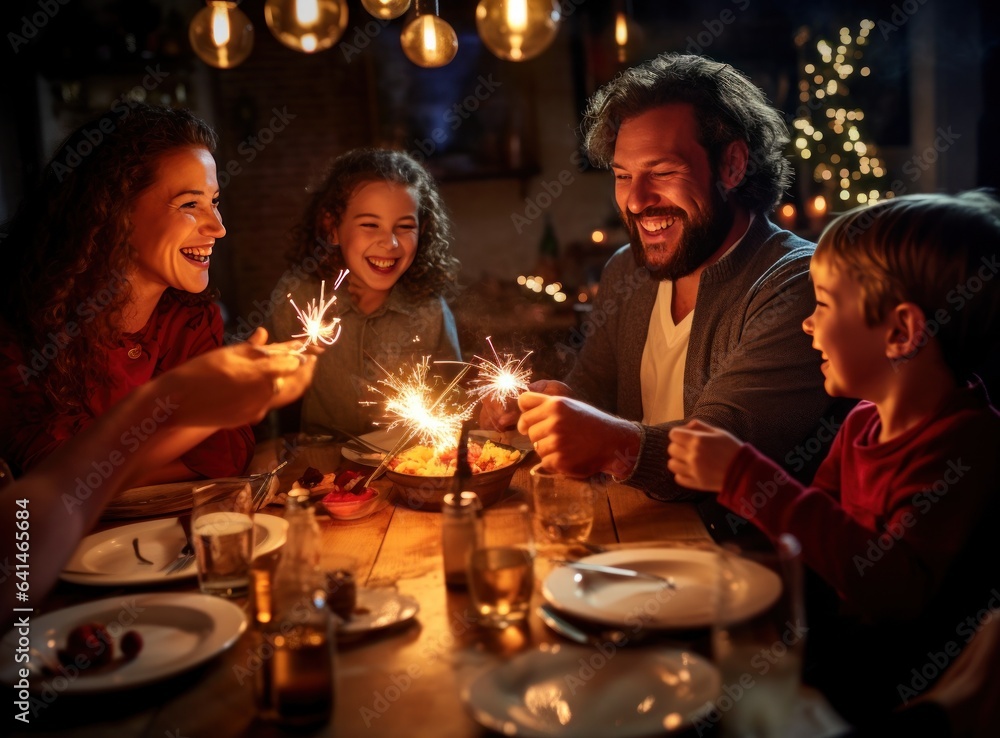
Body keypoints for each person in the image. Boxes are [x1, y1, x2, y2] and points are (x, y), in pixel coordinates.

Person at [667, 191, 1000, 722]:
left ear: (900, 332)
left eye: (822, 305)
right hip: (826, 661)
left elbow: (896, 591)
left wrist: (744, 476)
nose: (807, 324)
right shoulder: (863, 422)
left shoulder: (967, 447)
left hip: (893, 700)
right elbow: (808, 540)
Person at [487, 53, 849, 536]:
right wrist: (552, 407)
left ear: (733, 164)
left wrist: (610, 443)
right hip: (633, 536)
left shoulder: (797, 283)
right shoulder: (627, 271)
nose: (635, 200)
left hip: (739, 571)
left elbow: (721, 445)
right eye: (622, 175)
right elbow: (595, 389)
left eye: (661, 171)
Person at [0, 103, 254, 484]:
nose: (218, 227)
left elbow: (227, 455)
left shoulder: (190, 320)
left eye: (214, 202)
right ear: (114, 212)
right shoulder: (26, 327)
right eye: (190, 204)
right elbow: (58, 475)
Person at [0, 328, 317, 632]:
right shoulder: (35, 346)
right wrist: (172, 399)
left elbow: (70, 491)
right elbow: (25, 547)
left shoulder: (191, 320)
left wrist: (198, 406)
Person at [273, 148, 462, 436]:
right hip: (321, 473)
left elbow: (455, 398)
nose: (390, 243)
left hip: (409, 469)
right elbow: (261, 394)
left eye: (404, 226)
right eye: (370, 225)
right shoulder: (298, 298)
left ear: (422, 231)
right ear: (332, 226)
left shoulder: (429, 310)